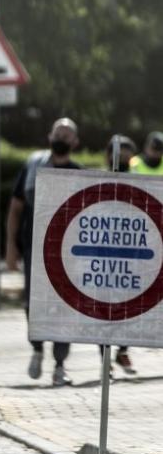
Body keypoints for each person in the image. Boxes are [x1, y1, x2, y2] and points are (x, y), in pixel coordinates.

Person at [6, 117, 81, 386]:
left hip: (67, 254)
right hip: (33, 249)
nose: (61, 137)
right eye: (58, 132)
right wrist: (10, 247)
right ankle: (37, 349)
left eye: (67, 134)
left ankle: (60, 365)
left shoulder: (79, 173)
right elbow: (15, 209)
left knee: (63, 306)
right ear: (49, 137)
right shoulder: (33, 167)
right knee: (33, 304)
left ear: (75, 142)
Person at [101, 135, 138, 375]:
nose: (122, 159)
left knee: (127, 308)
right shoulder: (98, 180)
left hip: (132, 256)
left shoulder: (139, 181)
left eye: (127, 155)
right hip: (102, 257)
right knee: (101, 310)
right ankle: (104, 361)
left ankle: (122, 350)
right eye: (119, 154)